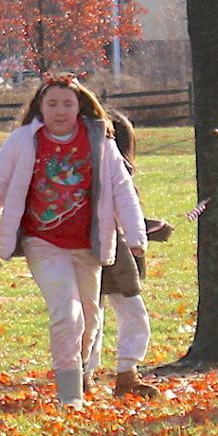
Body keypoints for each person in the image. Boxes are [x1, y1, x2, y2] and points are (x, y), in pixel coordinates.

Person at [0, 73, 147, 407]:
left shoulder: (100, 141)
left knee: (89, 318)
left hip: (89, 245)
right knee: (67, 313)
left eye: (67, 104)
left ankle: (80, 373)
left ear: (79, 107)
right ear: (40, 107)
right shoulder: (22, 142)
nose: (60, 111)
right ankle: (69, 395)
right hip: (43, 243)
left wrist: (135, 235)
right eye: (53, 104)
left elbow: (122, 189)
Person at [81, 113, 166, 399]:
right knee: (104, 315)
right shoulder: (104, 170)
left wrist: (148, 228)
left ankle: (118, 374)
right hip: (109, 254)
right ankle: (93, 374)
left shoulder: (116, 173)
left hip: (115, 253)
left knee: (100, 315)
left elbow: (127, 214)